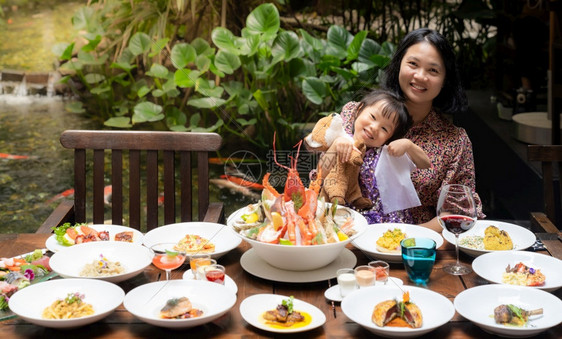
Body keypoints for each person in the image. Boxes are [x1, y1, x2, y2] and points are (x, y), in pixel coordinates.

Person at [313, 89, 431, 224]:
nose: (374, 127)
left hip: (382, 221)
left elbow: (425, 163)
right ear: (359, 110)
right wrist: (335, 146)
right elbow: (320, 174)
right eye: (373, 117)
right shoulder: (341, 141)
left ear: (389, 137)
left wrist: (409, 145)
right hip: (344, 218)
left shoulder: (387, 153)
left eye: (385, 129)